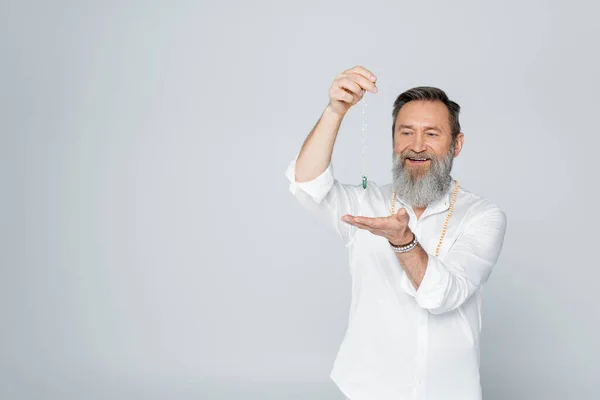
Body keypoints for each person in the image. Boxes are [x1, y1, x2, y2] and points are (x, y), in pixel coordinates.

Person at [284, 66, 508, 400]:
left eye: (431, 134)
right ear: (393, 139)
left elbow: (442, 296)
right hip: (369, 389)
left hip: (449, 391)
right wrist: (335, 111)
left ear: (456, 144)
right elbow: (306, 185)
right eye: (405, 132)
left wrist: (403, 241)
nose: (417, 146)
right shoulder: (367, 203)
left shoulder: (483, 216)